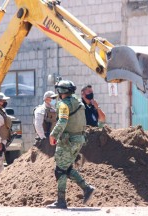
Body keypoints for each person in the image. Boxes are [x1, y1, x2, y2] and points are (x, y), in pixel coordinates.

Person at [47, 80, 95, 209]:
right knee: (66, 168)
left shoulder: (63, 104)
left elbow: (62, 121)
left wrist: (53, 134)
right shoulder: (78, 102)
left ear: (60, 91)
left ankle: (61, 201)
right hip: (79, 139)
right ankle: (86, 188)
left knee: (60, 169)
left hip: (68, 141)